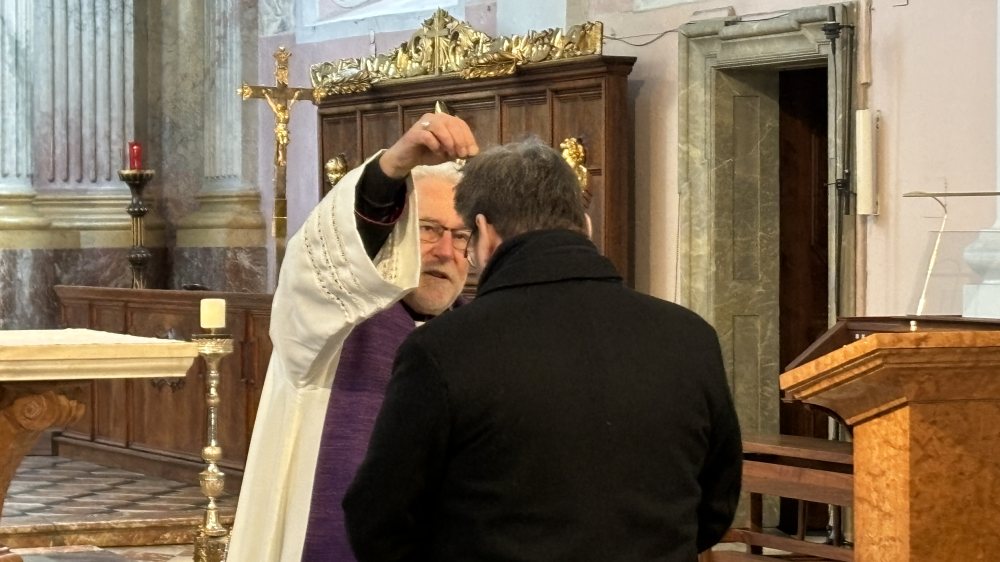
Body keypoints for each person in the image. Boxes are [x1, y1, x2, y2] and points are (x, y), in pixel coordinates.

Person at [343, 138, 743, 562]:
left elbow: (378, 520)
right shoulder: (690, 337)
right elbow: (715, 505)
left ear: (485, 233)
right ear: (584, 225)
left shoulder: (442, 349)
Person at [226, 113, 478, 562]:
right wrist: (392, 171)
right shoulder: (329, 325)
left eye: (460, 237)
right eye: (429, 230)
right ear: (392, 235)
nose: (446, 252)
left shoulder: (477, 339)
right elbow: (320, 260)